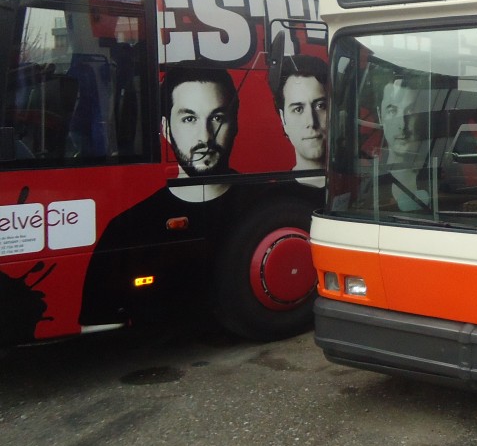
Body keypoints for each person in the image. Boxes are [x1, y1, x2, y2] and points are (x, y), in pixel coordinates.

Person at [78, 61, 243, 325]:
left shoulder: (267, 201)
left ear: (235, 123)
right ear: (165, 128)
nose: (205, 136)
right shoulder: (125, 229)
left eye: (217, 118)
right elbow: (99, 320)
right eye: (189, 119)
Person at [272, 54, 329, 187]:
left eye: (321, 106)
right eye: (298, 109)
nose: (311, 122)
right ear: (283, 119)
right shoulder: (275, 196)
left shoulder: (356, 185)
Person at [377, 74, 432, 210]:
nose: (402, 124)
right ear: (380, 116)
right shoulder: (367, 184)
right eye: (392, 111)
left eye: (410, 111)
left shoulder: (441, 181)